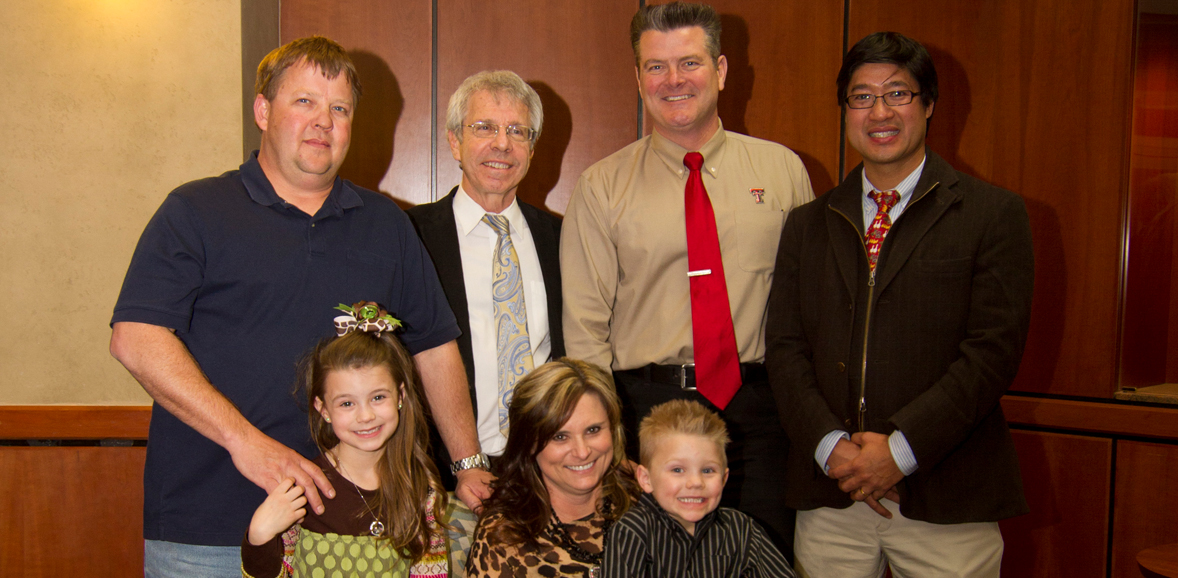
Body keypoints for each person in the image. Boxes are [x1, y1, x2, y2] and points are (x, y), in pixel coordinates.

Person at [109, 36, 489, 575]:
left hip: (354, 537)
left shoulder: (386, 226)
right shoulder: (195, 211)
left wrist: (468, 462)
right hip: (206, 529)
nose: (323, 122)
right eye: (304, 102)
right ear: (263, 110)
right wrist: (248, 444)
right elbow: (135, 337)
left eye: (339, 109)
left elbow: (434, 346)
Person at [764, 31, 1034, 577]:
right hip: (832, 494)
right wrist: (831, 448)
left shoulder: (991, 215)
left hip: (947, 495)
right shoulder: (808, 223)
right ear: (845, 111)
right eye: (861, 97)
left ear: (929, 104)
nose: (879, 111)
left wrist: (899, 452)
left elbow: (991, 356)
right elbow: (786, 349)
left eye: (897, 94)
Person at [560, 1, 813, 556]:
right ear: (638, 77)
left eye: (689, 63)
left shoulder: (784, 172)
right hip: (647, 409)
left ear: (721, 70)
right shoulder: (602, 186)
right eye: (656, 67)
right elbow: (584, 330)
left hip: (759, 415)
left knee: (762, 560)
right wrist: (606, 432)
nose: (673, 80)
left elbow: (812, 309)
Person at [242, 302, 477, 577]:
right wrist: (259, 536)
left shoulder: (421, 489)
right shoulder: (303, 487)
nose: (365, 416)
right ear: (323, 409)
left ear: (400, 397)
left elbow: (429, 571)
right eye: (346, 404)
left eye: (378, 397)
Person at [408, 70, 563, 481]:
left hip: (547, 472)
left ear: (532, 148)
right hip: (439, 475)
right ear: (454, 141)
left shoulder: (562, 240)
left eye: (518, 131)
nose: (502, 143)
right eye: (484, 128)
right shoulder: (410, 237)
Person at [466, 359, 640, 577]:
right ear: (529, 444)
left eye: (593, 430)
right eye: (560, 437)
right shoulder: (503, 538)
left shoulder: (645, 501)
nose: (582, 451)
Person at [604, 400, 794, 577]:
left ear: (724, 478)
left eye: (707, 470)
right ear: (646, 479)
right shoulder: (632, 532)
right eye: (678, 469)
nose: (695, 482)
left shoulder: (741, 530)